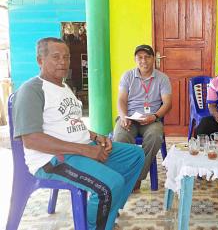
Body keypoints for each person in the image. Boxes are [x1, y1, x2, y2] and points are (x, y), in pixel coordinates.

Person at [12, 37, 145, 230]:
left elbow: (70, 123)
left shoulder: (64, 87)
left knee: (135, 155)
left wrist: (96, 137)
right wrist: (84, 150)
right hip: (54, 160)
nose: (63, 62)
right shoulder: (32, 90)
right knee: (110, 184)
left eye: (66, 57)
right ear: (40, 60)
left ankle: (107, 213)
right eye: (56, 57)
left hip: (81, 149)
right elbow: (31, 139)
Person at [113, 44, 172, 191]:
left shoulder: (162, 78)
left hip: (151, 119)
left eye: (147, 57)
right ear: (135, 59)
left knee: (155, 136)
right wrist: (123, 116)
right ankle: (124, 176)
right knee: (120, 137)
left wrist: (155, 116)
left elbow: (167, 103)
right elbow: (121, 100)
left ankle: (136, 177)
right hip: (130, 118)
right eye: (140, 57)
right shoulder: (127, 76)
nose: (143, 60)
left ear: (153, 59)